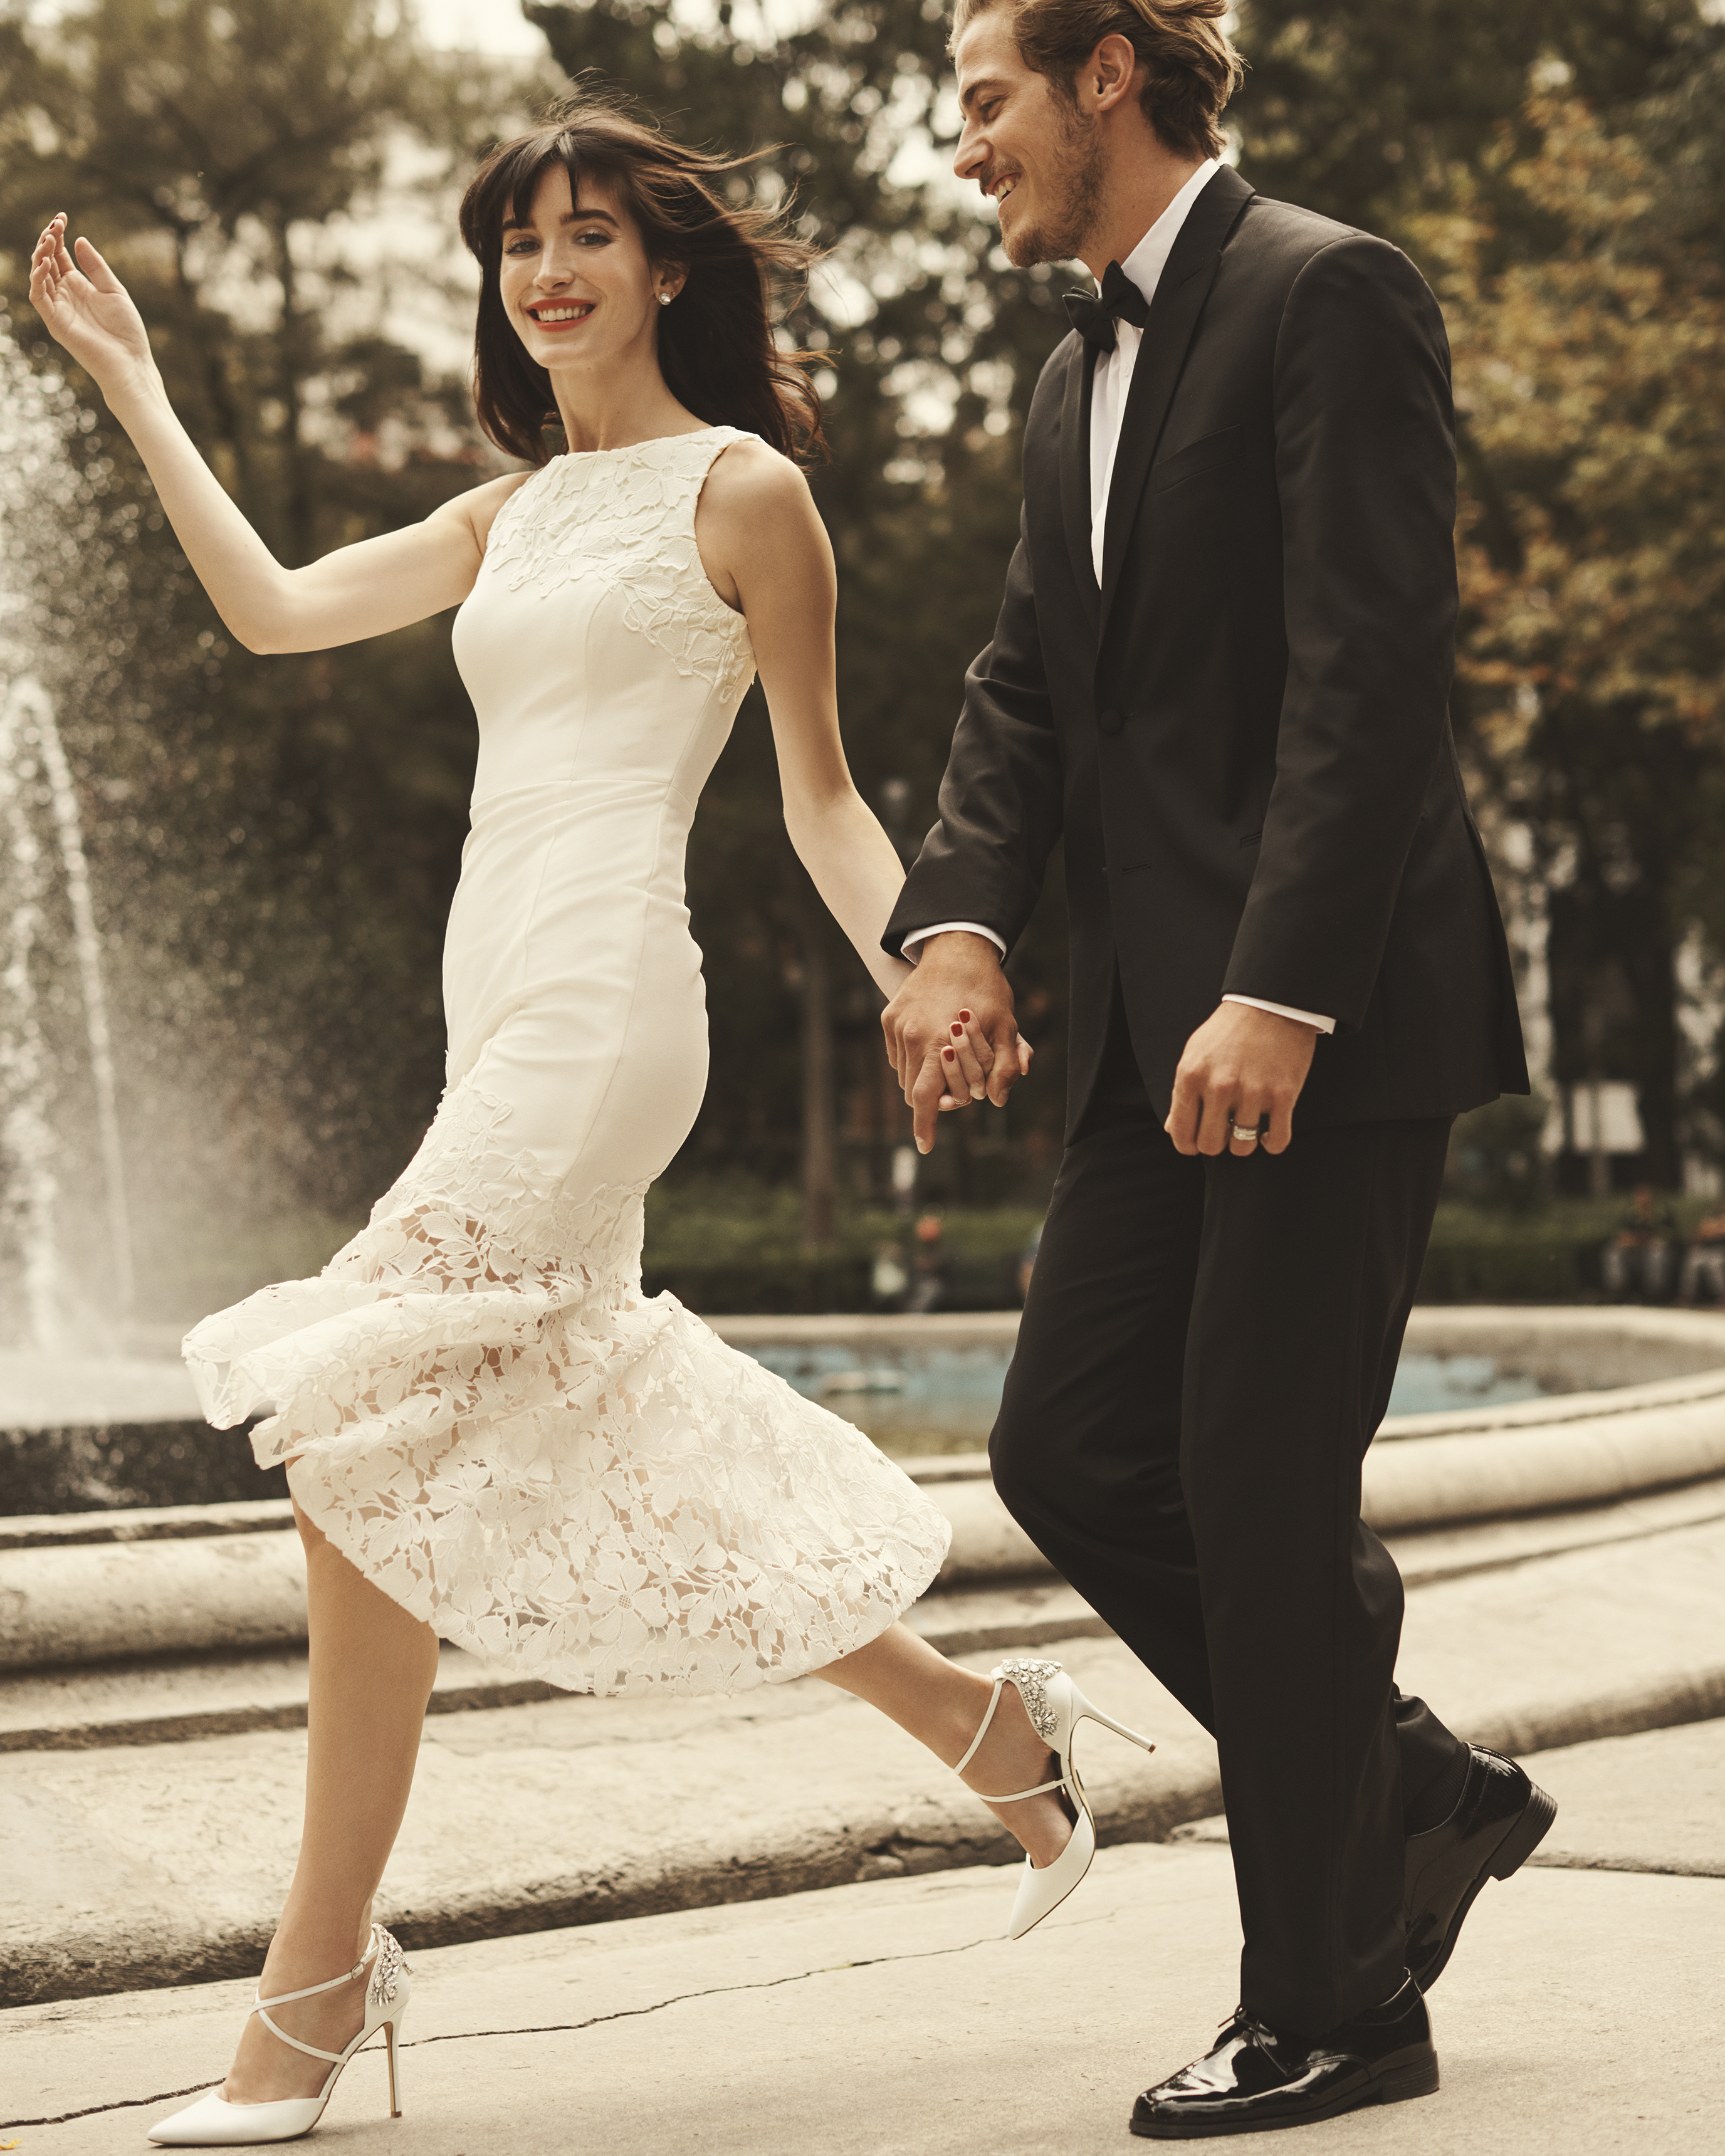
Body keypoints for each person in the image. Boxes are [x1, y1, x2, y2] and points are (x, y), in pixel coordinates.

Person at [28, 95, 1155, 2148]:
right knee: (575, 1418)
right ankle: (993, 1730)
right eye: (518, 245)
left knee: (348, 1425)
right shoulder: (501, 514)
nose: (547, 273)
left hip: (610, 1001)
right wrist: (134, 386)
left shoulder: (748, 498)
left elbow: (815, 792)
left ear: (668, 268)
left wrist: (931, 961)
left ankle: (309, 1993)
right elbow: (274, 609)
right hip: (498, 1000)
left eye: (588, 238)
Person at [882, 3, 1557, 2137]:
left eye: (983, 94)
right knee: (1071, 1451)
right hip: (1149, 1039)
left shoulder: (1325, 288)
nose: (960, 140)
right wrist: (964, 920)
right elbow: (1022, 683)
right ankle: (1412, 1791)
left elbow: (1374, 666)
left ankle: (1336, 2000)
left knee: (1265, 1504)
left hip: (1322, 1024)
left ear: (1106, 74)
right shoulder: (1068, 366)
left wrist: (1282, 990)